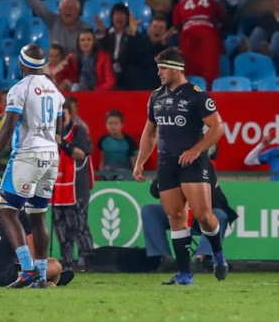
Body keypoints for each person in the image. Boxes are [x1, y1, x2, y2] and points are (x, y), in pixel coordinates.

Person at [133, 47, 228, 285]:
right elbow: (150, 132)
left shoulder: (197, 95)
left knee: (204, 216)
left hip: (194, 163)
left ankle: (217, 254)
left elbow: (218, 127)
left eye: (163, 68)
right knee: (176, 216)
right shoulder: (156, 96)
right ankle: (185, 274)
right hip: (167, 162)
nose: (159, 72)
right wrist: (140, 162)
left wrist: (196, 150)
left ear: (177, 69)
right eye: (158, 68)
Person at [0, 44, 65, 289]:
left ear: (21, 64)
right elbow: (61, 121)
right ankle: (41, 273)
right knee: (38, 215)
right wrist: (55, 138)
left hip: (28, 155)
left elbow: (8, 126)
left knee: (6, 210)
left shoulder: (20, 89)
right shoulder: (54, 89)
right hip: (51, 156)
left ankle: (28, 269)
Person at [142, 162, 237, 269]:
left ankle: (202, 258)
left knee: (219, 215)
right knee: (149, 210)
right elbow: (154, 192)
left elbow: (216, 198)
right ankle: (163, 258)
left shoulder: (204, 165)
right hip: (176, 213)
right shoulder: (168, 163)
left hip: (199, 215)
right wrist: (164, 175)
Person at [0, 199, 67, 287]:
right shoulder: (24, 215)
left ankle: (49, 281)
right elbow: (33, 259)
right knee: (54, 265)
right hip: (0, 276)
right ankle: (48, 282)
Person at [51, 97, 94, 272]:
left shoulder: (78, 131)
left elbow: (80, 154)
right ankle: (67, 263)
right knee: (61, 229)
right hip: (56, 188)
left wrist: (63, 143)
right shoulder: (48, 134)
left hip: (76, 187)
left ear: (70, 114)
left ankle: (89, 260)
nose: (60, 118)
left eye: (63, 114)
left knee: (79, 226)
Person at [172, 0, 225, 86]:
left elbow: (177, 26)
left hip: (188, 33)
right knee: (210, 67)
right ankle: (210, 93)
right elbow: (224, 18)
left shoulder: (180, 4)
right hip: (208, 31)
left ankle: (188, 93)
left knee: (189, 67)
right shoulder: (209, 0)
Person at [18, 0, 91, 53]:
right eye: (65, 7)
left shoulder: (86, 28)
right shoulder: (53, 21)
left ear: (78, 11)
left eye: (72, 8)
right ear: (60, 11)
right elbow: (40, 8)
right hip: (55, 63)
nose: (68, 10)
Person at [117, 13, 174, 90]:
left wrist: (162, 45)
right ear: (149, 29)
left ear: (165, 32)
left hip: (156, 92)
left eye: (161, 28)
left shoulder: (169, 50)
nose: (157, 30)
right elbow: (124, 60)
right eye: (154, 26)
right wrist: (132, 35)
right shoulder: (138, 41)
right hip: (133, 90)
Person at [97, 109, 138, 180]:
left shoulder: (129, 141)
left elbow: (133, 161)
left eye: (116, 123)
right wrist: (100, 174)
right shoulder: (103, 140)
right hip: (108, 172)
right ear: (106, 124)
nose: (113, 126)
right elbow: (102, 159)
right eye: (110, 123)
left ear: (122, 125)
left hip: (125, 172)